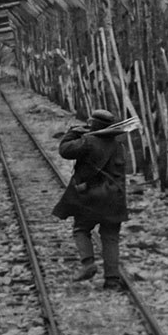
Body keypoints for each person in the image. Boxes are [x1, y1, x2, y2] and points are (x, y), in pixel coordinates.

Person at [51, 108, 129, 290]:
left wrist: (73, 132)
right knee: (110, 237)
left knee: (81, 228)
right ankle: (112, 280)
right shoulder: (119, 146)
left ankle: (88, 263)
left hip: (91, 197)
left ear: (93, 125)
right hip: (114, 198)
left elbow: (64, 150)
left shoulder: (87, 141)